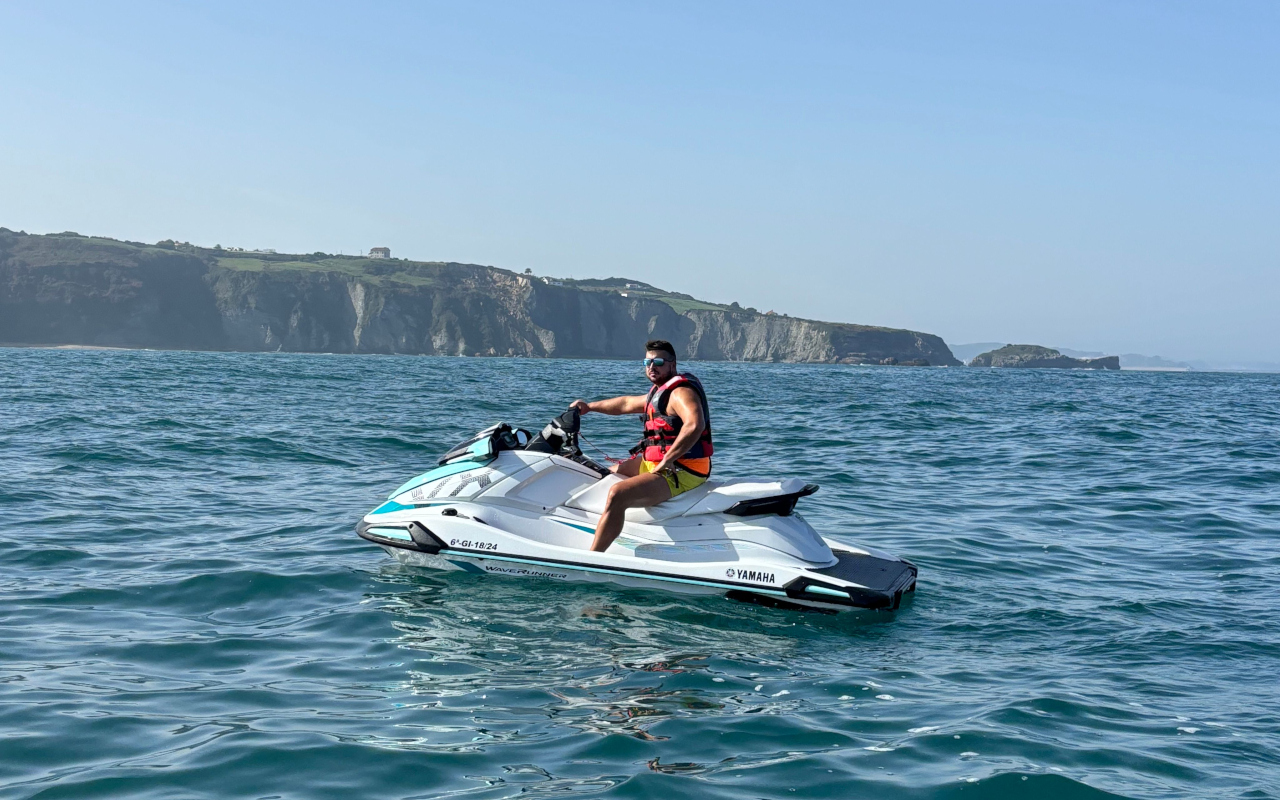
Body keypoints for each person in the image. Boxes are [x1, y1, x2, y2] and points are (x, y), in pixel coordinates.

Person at [569, 339, 714, 552]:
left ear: (672, 364)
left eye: (658, 362)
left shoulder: (680, 392)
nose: (652, 367)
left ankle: (593, 557)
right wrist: (589, 407)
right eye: (647, 362)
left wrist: (668, 459)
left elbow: (695, 424)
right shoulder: (659, 391)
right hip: (658, 463)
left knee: (617, 493)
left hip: (684, 469)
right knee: (602, 473)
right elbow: (626, 404)